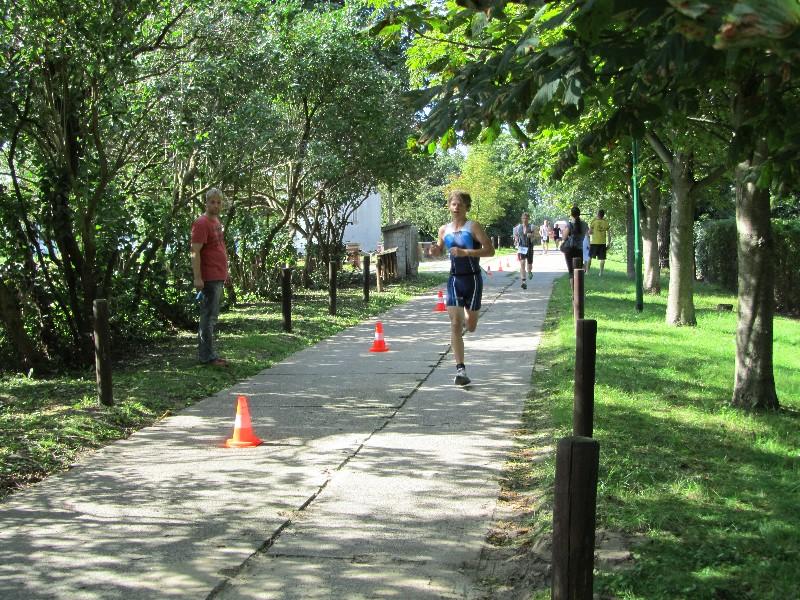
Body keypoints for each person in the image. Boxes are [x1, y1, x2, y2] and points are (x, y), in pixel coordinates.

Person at [432, 190, 495, 386]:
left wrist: (465, 252)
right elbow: (439, 249)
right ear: (449, 207)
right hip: (454, 280)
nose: (456, 207)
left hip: (473, 280)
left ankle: (469, 316)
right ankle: (460, 370)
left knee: (471, 326)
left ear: (467, 207)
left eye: (460, 204)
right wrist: (434, 251)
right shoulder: (444, 230)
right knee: (455, 324)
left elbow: (490, 250)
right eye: (453, 204)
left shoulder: (473, 226)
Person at [191, 188, 229, 366]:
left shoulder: (216, 221)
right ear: (206, 203)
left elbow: (219, 247)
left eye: (219, 202)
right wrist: (197, 278)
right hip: (209, 276)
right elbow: (195, 252)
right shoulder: (201, 223)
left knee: (212, 317)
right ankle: (206, 357)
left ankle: (209, 354)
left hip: (218, 274)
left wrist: (226, 272)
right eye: (212, 202)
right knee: (208, 317)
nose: (216, 205)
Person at [562, 205, 588, 282]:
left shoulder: (569, 225)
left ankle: (573, 289)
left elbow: (564, 237)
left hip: (570, 250)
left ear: (571, 214)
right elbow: (588, 233)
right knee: (579, 271)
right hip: (579, 249)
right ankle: (579, 288)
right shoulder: (585, 224)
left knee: (571, 272)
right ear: (579, 214)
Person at [513, 212, 534, 289]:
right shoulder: (518, 227)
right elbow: (515, 235)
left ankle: (530, 271)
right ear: (521, 219)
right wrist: (516, 240)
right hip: (521, 247)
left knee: (529, 264)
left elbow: (538, 235)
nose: (525, 220)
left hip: (530, 247)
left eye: (526, 218)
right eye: (524, 218)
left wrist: (531, 235)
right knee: (522, 263)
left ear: (528, 219)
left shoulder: (532, 226)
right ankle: (523, 281)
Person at [588, 209, 611, 276]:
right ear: (603, 215)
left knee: (590, 257)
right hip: (602, 243)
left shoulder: (594, 221)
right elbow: (609, 234)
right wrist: (609, 242)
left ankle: (587, 272)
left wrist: (593, 232)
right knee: (602, 259)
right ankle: (600, 273)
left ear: (597, 214)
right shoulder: (606, 222)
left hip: (594, 242)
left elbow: (589, 232)